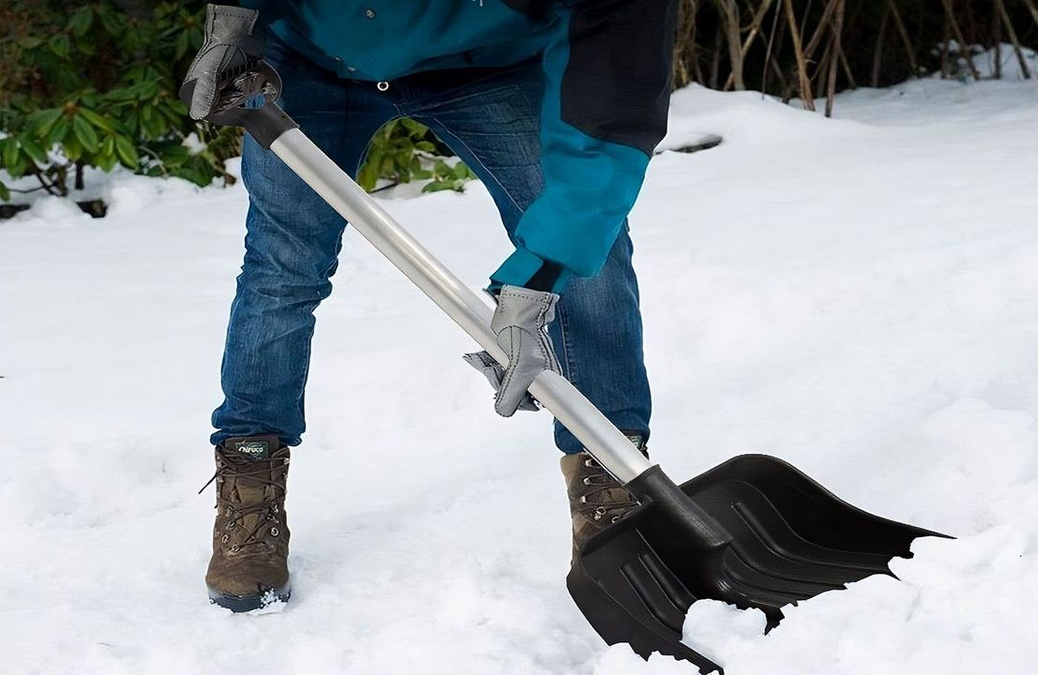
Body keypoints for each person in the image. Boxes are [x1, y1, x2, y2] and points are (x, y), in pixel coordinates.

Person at [183, 1, 679, 611]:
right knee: (282, 270)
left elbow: (608, 110)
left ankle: (610, 473)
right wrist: (234, 25)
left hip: (492, 62)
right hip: (315, 58)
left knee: (591, 263)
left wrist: (540, 274)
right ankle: (250, 479)